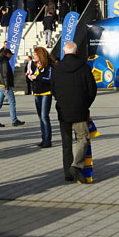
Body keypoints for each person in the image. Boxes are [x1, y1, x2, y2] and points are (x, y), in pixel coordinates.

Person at [50, 42, 97, 183]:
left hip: (63, 110)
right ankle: (76, 166)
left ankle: (67, 173)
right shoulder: (84, 67)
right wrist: (85, 104)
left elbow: (53, 89)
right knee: (82, 139)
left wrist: (61, 101)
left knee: (66, 142)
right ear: (76, 52)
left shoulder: (57, 69)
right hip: (80, 110)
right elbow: (92, 89)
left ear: (64, 53)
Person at [0, 48, 25, 127]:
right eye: (10, 55)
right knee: (12, 102)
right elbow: (5, 75)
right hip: (5, 85)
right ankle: (14, 120)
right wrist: (7, 87)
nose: (11, 56)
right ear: (7, 54)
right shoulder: (5, 63)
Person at [29, 46, 54, 147]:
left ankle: (48, 140)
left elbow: (49, 78)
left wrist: (37, 77)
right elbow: (35, 75)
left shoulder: (49, 65)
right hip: (37, 92)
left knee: (44, 116)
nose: (34, 56)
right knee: (40, 117)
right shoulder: (35, 65)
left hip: (46, 93)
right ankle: (43, 138)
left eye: (35, 54)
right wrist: (31, 77)